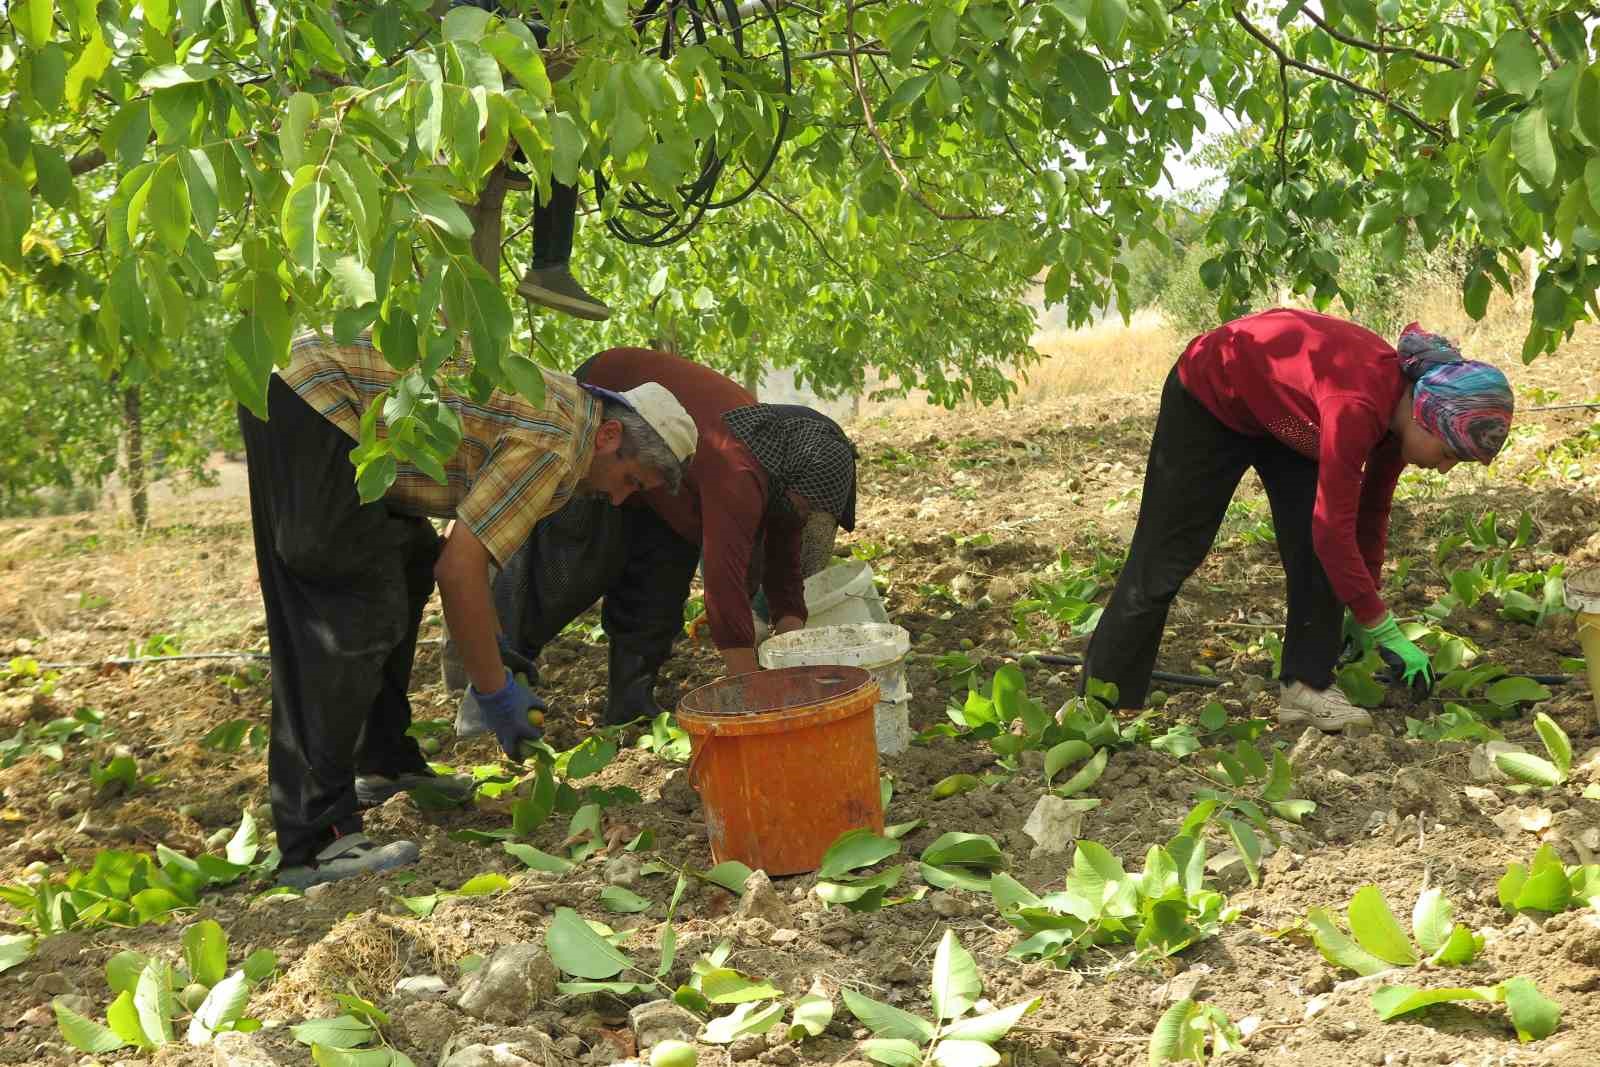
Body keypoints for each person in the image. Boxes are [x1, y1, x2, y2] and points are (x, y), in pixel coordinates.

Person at [238, 332, 696, 889]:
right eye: (630, 481)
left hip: (316, 391)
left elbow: (460, 546)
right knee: (352, 602)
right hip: (319, 395)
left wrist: (493, 649)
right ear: (610, 436)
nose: (620, 500)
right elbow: (462, 572)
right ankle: (315, 842)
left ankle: (383, 762)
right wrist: (494, 691)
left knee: (405, 562)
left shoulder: (569, 421)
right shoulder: (557, 443)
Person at [1080, 309, 1514, 732]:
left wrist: (1364, 607)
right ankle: (1102, 701)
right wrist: (1383, 627)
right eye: (1449, 454)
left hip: (1289, 415)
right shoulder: (1356, 406)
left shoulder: (1397, 421)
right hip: (1212, 395)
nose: (1443, 469)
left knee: (1317, 551)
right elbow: (1334, 530)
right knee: (1165, 558)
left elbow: (1369, 515)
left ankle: (1307, 688)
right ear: (1426, 415)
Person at [457, 347, 859, 726]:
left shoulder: (787, 490)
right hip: (617, 434)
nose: (802, 516)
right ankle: (492, 691)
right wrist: (753, 696)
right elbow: (723, 585)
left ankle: (629, 705)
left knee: (661, 581)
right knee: (572, 566)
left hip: (666, 472)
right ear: (791, 480)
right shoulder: (737, 468)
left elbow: (784, 573)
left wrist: (792, 658)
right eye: (803, 507)